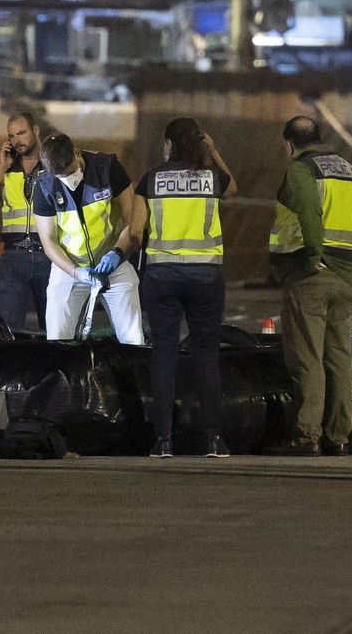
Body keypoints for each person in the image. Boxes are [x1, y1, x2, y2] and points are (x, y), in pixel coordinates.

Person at [265, 116, 352, 457]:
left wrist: (312, 254)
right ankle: (338, 436)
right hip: (345, 274)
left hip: (312, 275)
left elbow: (308, 209)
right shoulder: (347, 169)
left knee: (306, 356)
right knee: (339, 356)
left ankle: (306, 435)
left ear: (289, 143)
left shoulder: (300, 170)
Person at [131, 118, 237, 458]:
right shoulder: (210, 178)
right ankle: (213, 440)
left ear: (168, 144)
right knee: (206, 355)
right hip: (206, 276)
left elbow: (134, 231)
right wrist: (215, 151)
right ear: (198, 143)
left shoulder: (150, 179)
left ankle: (163, 440)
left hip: (161, 276)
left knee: (164, 353)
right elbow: (232, 187)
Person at [32, 133, 143, 345]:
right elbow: (49, 241)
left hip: (113, 261)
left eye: (72, 171)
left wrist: (117, 252)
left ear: (76, 152)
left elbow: (132, 219)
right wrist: (76, 272)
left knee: (133, 339)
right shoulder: (44, 186)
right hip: (70, 267)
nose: (69, 180)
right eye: (61, 177)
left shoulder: (108, 168)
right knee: (56, 337)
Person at [0, 112, 52, 330]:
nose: (17, 140)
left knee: (57, 332)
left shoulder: (53, 165)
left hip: (50, 255)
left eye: (22, 133)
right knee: (6, 331)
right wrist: (1, 167)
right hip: (12, 257)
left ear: (36, 131)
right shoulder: (5, 168)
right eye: (12, 136)